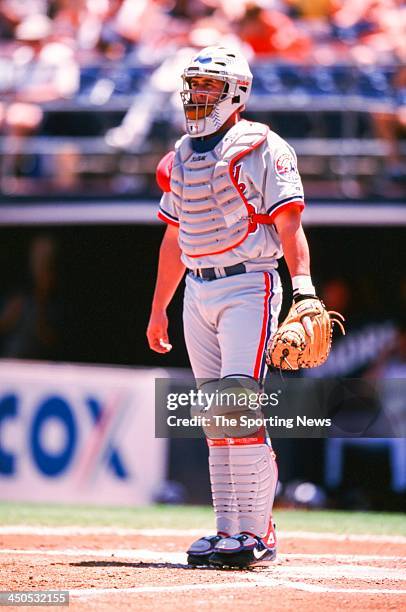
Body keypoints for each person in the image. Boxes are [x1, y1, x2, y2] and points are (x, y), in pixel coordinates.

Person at [147, 45, 320, 569]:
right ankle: (228, 530)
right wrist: (159, 308)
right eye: (193, 86)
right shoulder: (180, 152)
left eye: (208, 87)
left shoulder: (262, 145)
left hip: (250, 283)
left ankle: (258, 532)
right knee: (212, 416)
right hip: (198, 288)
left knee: (237, 406)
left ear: (235, 93)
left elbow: (289, 221)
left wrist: (305, 288)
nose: (197, 96)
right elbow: (176, 237)